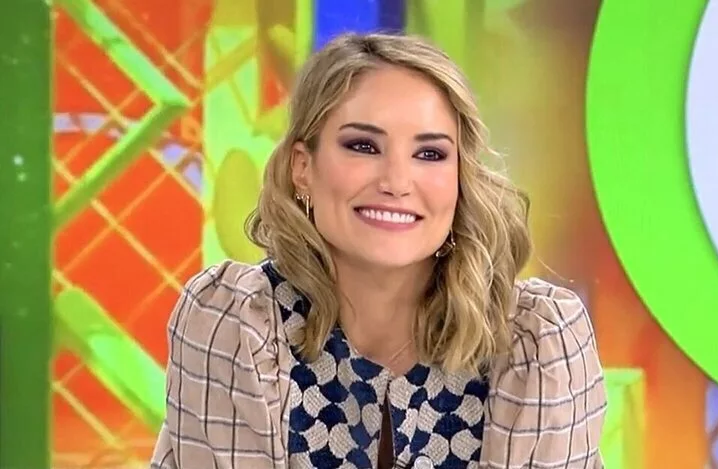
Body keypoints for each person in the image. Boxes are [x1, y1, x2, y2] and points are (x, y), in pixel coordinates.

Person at [149, 32, 606, 469]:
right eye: (364, 146)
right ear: (302, 168)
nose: (396, 183)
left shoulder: (536, 343)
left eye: (430, 154)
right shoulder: (236, 325)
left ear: (460, 178)